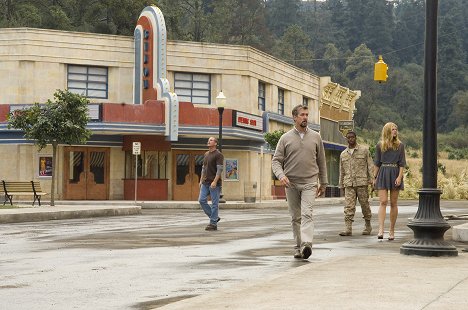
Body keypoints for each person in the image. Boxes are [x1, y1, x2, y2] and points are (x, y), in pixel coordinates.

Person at [272, 104, 328, 259]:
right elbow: (276, 161)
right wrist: (281, 175)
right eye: (302, 115)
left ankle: (306, 245)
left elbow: (321, 161)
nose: (305, 117)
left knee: (307, 214)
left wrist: (323, 183)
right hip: (291, 183)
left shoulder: (316, 137)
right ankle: (298, 247)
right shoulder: (285, 138)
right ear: (294, 117)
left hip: (310, 182)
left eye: (306, 115)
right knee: (296, 217)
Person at [373, 122, 406, 241]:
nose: (395, 131)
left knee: (393, 203)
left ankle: (392, 230)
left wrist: (399, 177)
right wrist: (374, 177)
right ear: (387, 131)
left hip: (395, 172)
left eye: (396, 129)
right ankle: (381, 229)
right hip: (383, 172)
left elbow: (402, 163)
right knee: (383, 201)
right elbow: (377, 163)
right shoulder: (380, 145)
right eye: (393, 129)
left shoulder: (400, 145)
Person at [338, 130, 374, 236]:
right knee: (349, 206)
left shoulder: (364, 151)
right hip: (349, 184)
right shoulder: (343, 154)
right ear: (346, 139)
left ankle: (368, 225)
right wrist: (341, 185)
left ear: (355, 137)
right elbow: (342, 170)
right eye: (348, 137)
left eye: (352, 137)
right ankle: (348, 228)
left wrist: (372, 180)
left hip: (362, 183)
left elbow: (370, 166)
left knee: (365, 205)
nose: (350, 139)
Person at [198, 137, 224, 231]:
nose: (209, 141)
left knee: (214, 204)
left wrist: (215, 181)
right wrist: (201, 180)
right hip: (205, 182)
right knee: (201, 200)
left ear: (216, 143)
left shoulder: (218, 155)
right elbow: (203, 168)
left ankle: (213, 223)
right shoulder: (206, 154)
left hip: (214, 183)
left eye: (211, 140)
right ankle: (215, 217)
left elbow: (219, 169)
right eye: (208, 140)